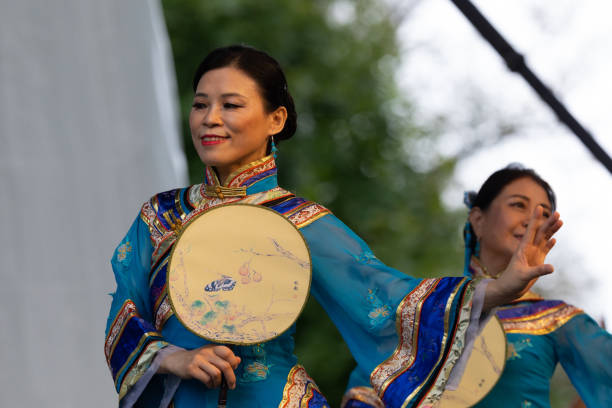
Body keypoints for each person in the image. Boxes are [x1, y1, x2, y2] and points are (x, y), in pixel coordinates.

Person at [104, 45, 562, 408]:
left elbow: (388, 297)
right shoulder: (160, 216)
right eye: (201, 105)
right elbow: (124, 314)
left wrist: (501, 289)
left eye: (231, 105)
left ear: (275, 119)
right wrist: (174, 357)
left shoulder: (298, 220)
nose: (211, 119)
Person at [461, 165, 612, 407]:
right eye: (518, 205)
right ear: (478, 220)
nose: (532, 220)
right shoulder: (427, 306)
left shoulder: (555, 318)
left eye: (544, 214)